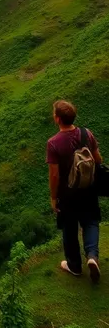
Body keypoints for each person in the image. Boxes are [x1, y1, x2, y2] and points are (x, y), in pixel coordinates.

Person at [46, 99, 102, 282]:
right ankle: (92, 256)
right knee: (91, 221)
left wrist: (54, 198)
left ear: (57, 119)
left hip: (67, 193)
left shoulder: (53, 143)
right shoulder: (87, 134)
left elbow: (54, 175)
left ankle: (74, 266)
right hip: (88, 188)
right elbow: (98, 159)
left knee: (69, 228)